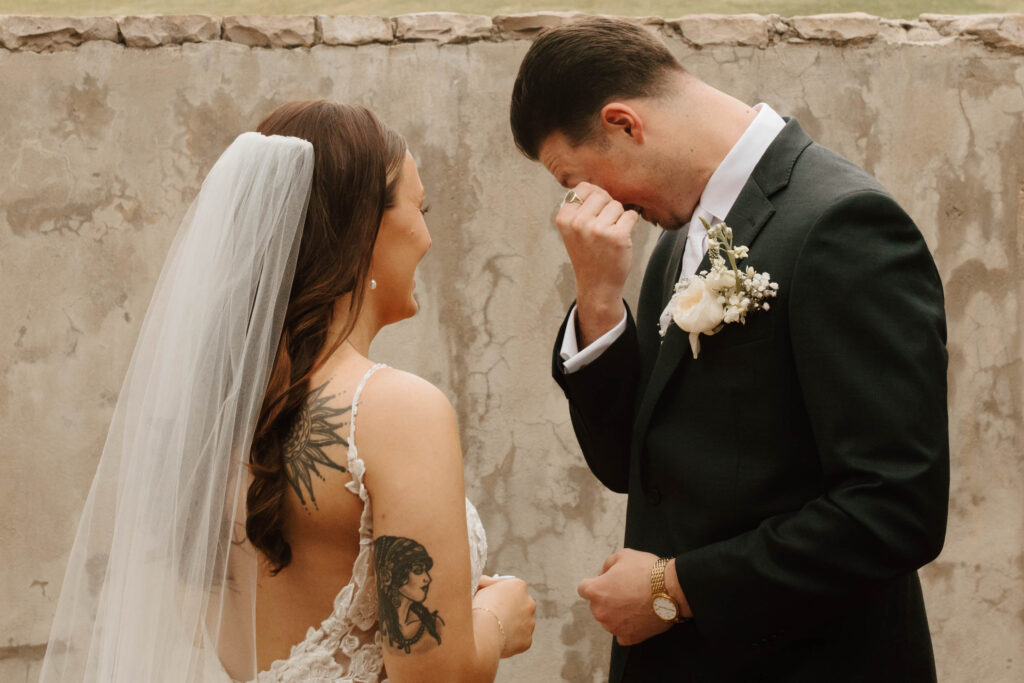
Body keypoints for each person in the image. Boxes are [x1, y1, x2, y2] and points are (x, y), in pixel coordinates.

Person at [510, 17, 948, 683]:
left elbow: (894, 509)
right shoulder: (676, 241)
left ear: (625, 124)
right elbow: (632, 464)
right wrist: (599, 302)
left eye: (575, 177)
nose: (584, 202)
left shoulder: (842, 224)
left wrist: (673, 586)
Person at [39, 100, 535, 683]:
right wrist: (498, 618)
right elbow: (435, 677)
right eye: (419, 208)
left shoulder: (205, 416)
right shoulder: (396, 411)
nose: (427, 236)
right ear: (364, 231)